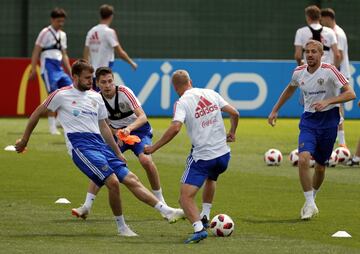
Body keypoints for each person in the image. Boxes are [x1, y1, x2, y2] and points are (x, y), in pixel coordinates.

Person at [15, 60, 184, 237]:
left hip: (99, 144)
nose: (91, 81)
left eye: (92, 78)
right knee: (112, 181)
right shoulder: (60, 94)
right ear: (75, 77)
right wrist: (25, 139)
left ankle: (166, 210)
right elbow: (37, 112)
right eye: (88, 78)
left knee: (132, 178)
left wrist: (118, 152)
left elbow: (103, 126)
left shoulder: (95, 97)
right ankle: (121, 227)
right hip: (80, 146)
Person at [144, 70, 239, 244]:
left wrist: (154, 147)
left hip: (203, 157)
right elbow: (235, 113)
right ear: (190, 81)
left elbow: (175, 128)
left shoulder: (182, 102)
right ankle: (205, 215)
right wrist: (232, 132)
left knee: (184, 198)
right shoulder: (210, 93)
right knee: (212, 178)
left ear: (175, 87)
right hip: (223, 155)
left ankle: (198, 228)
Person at [268, 40, 356, 220]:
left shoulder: (330, 70)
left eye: (313, 51)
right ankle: (309, 203)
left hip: (329, 120)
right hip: (309, 121)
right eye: (307, 51)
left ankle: (312, 198)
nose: (309, 54)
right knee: (303, 159)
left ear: (321, 54)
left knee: (321, 167)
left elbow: (351, 93)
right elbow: (290, 89)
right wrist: (275, 109)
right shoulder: (299, 72)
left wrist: (327, 101)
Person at [72, 67, 170, 218]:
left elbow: (143, 117)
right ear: (97, 83)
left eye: (110, 81)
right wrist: (116, 134)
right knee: (102, 164)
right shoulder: (96, 99)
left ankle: (161, 200)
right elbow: (103, 124)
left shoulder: (124, 92)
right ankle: (86, 206)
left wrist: (129, 129)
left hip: (138, 131)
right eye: (103, 82)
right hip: (118, 135)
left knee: (146, 160)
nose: (108, 85)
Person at [29, 8, 73, 135]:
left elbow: (64, 54)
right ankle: (52, 126)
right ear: (52, 20)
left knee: (70, 90)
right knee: (53, 95)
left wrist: (70, 71)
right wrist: (33, 69)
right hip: (48, 68)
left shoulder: (63, 35)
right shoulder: (45, 32)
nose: (61, 24)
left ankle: (60, 120)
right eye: (58, 21)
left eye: (62, 21)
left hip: (59, 68)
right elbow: (36, 51)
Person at [83, 4, 137, 90]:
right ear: (111, 16)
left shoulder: (91, 31)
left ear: (100, 15)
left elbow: (85, 54)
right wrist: (131, 63)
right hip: (104, 75)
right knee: (102, 99)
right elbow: (120, 52)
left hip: (92, 74)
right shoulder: (109, 32)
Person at [321, 8, 350, 148]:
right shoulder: (336, 32)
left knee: (335, 106)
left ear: (328, 18)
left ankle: (342, 142)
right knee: (336, 106)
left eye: (322, 20)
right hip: (340, 73)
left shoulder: (337, 34)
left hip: (339, 74)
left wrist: (331, 73)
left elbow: (340, 55)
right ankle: (339, 141)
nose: (321, 23)